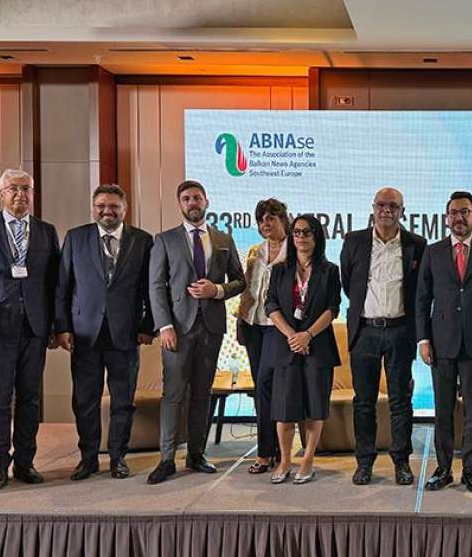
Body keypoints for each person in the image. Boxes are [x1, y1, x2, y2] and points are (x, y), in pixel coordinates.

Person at [0, 168, 60, 490]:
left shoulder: (46, 232)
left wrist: (56, 327)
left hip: (36, 328)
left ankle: (25, 462)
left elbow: (55, 284)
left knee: (30, 398)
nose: (21, 194)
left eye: (26, 188)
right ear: (1, 193)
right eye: (14, 189)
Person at [146, 180, 245, 485]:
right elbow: (156, 286)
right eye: (186, 198)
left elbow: (239, 281)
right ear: (180, 204)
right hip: (176, 330)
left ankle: (196, 454)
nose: (192, 203)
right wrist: (164, 326)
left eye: (197, 198)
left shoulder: (223, 239)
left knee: (202, 394)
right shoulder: (165, 240)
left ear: (206, 201)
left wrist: (217, 290)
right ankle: (166, 459)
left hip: (211, 328)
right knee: (174, 394)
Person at [55, 184, 155, 481]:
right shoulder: (76, 238)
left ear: (125, 209)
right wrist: (62, 327)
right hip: (85, 334)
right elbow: (62, 286)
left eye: (113, 206)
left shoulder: (142, 240)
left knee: (123, 401)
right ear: (93, 207)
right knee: (85, 400)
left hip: (126, 334)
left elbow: (151, 288)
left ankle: (117, 458)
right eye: (101, 206)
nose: (107, 211)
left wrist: (147, 326)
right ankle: (87, 458)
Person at [415, 191, 472, 492]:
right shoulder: (433, 252)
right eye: (454, 212)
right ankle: (443, 468)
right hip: (441, 343)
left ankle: (470, 469)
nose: (459, 217)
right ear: (446, 218)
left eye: (465, 212)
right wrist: (423, 339)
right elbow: (422, 300)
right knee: (443, 410)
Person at [339, 187, 427, 486]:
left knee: (401, 401)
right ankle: (364, 462)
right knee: (364, 401)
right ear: (373, 207)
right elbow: (349, 283)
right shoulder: (354, 241)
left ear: (402, 211)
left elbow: (420, 291)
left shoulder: (417, 244)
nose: (386, 210)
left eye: (393, 206)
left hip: (401, 331)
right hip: (364, 330)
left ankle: (401, 461)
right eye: (381, 205)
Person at [264, 214, 341, 484]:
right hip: (286, 347)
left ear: (317, 236)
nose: (300, 237)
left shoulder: (329, 270)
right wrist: (292, 336)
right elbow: (271, 305)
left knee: (315, 408)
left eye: (307, 232)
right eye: (296, 232)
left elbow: (333, 308)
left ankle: (307, 461)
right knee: (284, 410)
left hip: (318, 347)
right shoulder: (279, 270)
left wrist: (307, 335)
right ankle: (285, 461)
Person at [236, 198, 289, 475]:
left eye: (271, 217)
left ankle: (268, 453)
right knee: (261, 389)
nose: (266, 223)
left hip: (278, 326)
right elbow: (248, 289)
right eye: (261, 219)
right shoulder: (255, 251)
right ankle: (270, 449)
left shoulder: (294, 250)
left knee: (270, 385)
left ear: (283, 219)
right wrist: (240, 321)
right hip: (252, 324)